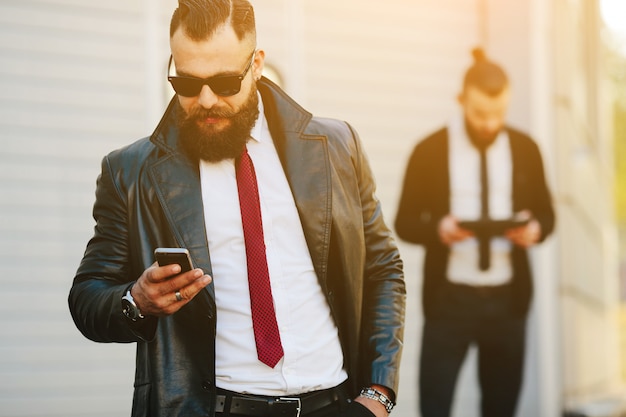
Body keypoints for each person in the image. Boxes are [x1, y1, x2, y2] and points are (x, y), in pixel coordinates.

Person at [68, 1, 406, 416]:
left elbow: (382, 266)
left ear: (257, 64)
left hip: (334, 402)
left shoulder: (337, 145)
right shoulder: (129, 171)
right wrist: (136, 300)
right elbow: (87, 298)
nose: (206, 100)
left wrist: (378, 394)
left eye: (226, 82)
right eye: (187, 84)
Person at [394, 48, 555, 417]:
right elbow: (404, 222)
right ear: (461, 100)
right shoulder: (428, 150)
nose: (489, 123)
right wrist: (439, 230)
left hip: (508, 302)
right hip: (448, 302)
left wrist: (534, 229)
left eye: (499, 114)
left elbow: (548, 216)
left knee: (501, 408)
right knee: (435, 405)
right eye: (481, 113)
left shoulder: (526, 149)